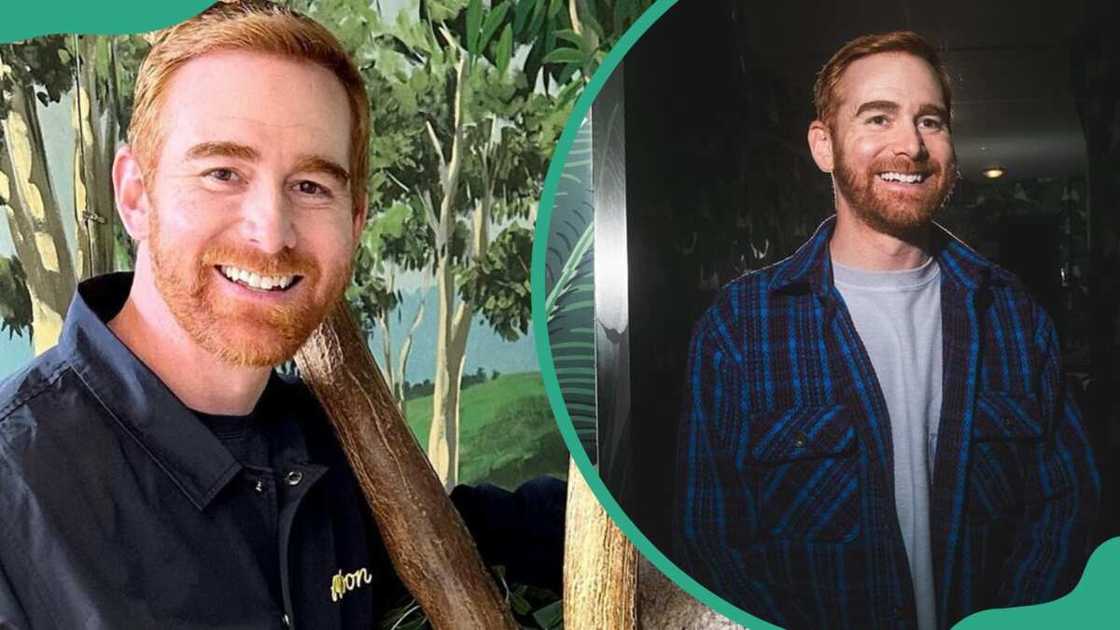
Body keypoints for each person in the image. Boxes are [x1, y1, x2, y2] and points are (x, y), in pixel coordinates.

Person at [0, 2, 562, 628]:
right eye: (222, 173)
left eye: (312, 186)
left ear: (353, 222)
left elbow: (478, 530)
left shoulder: (332, 444)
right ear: (135, 193)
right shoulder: (16, 494)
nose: (271, 234)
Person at [674, 31, 1101, 630]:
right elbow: (710, 541)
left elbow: (1067, 506)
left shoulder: (1012, 315)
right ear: (824, 144)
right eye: (879, 118)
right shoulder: (740, 330)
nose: (912, 145)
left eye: (931, 121)